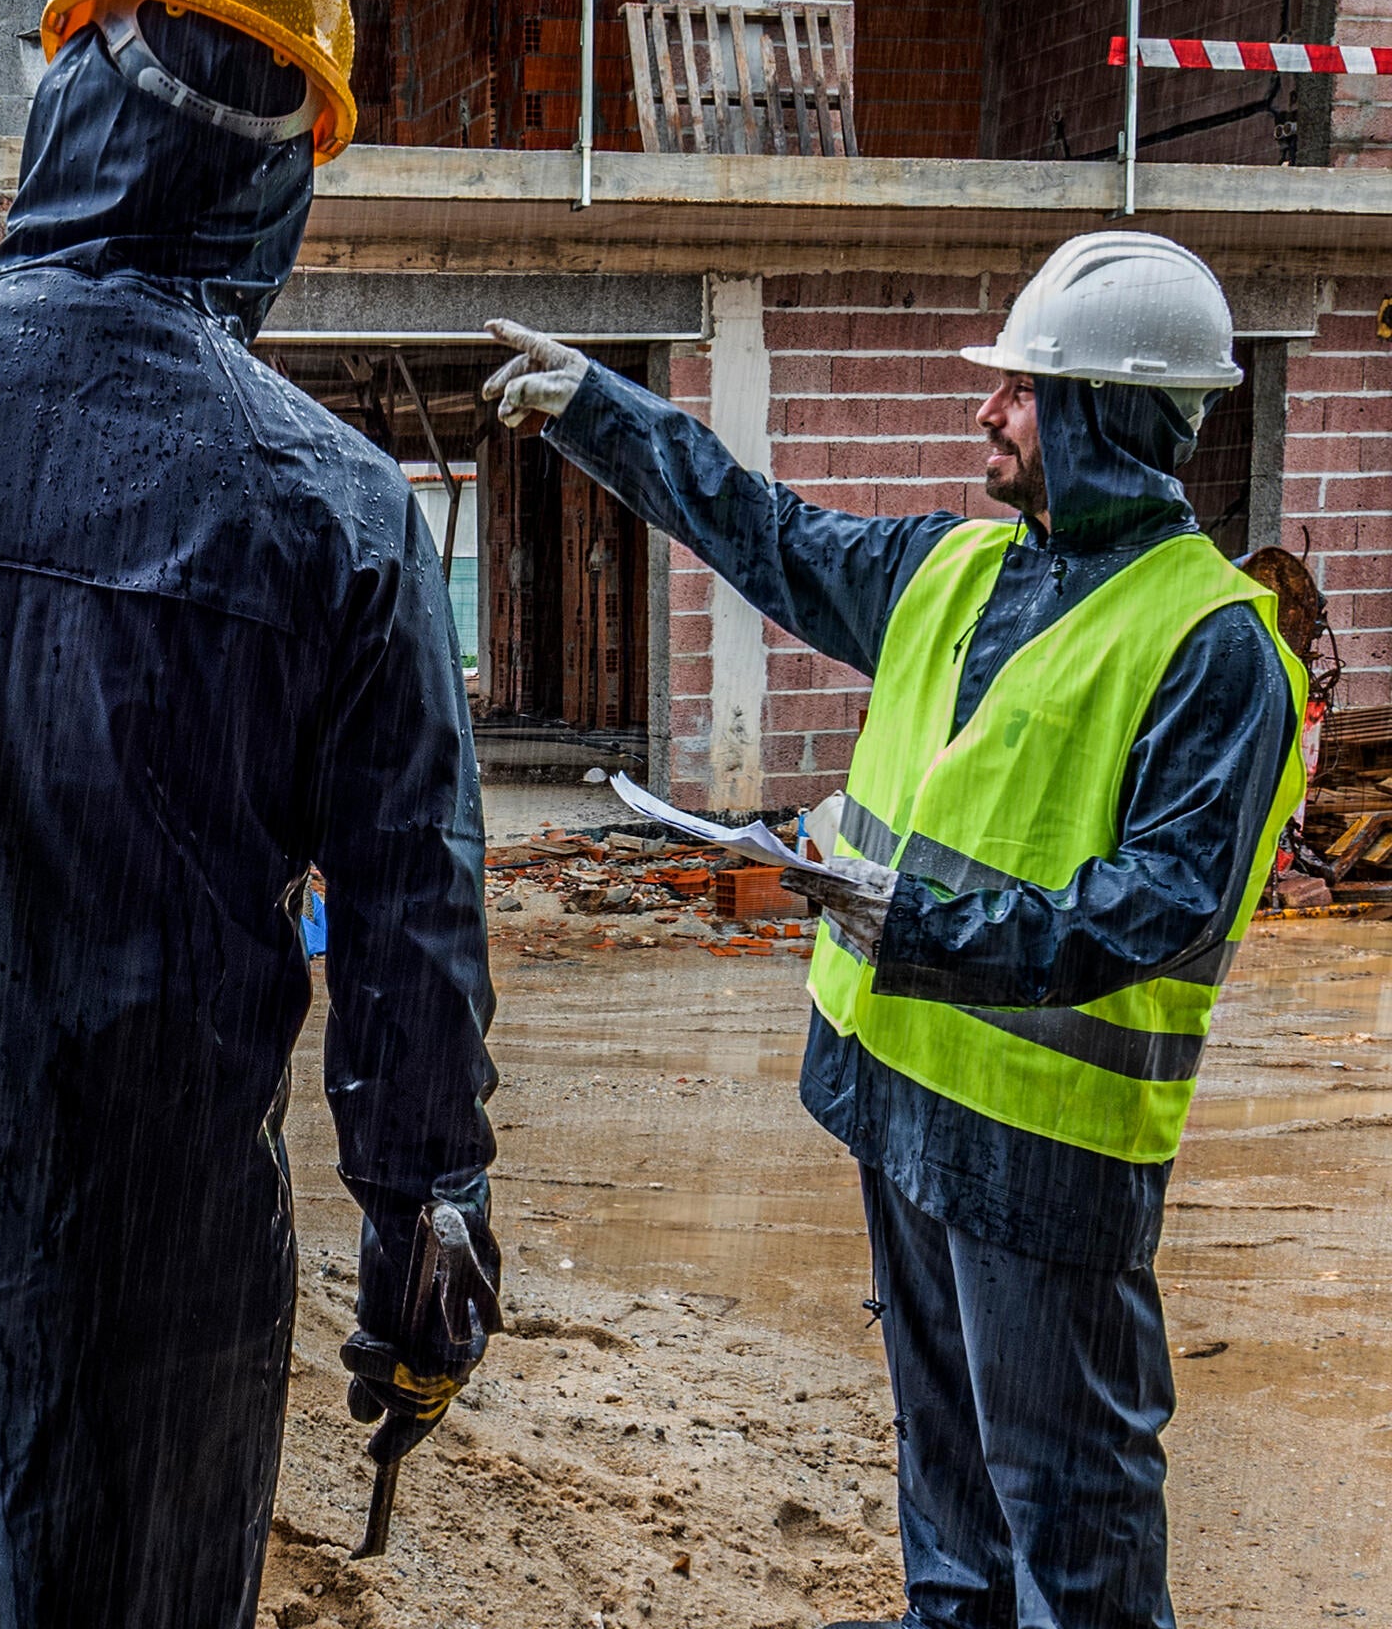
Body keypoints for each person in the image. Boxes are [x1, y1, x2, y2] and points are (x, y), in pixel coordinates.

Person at [483, 233, 1305, 1629]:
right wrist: (599, 412)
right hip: (903, 1099)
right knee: (951, 1479)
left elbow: (1162, 903)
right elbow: (767, 533)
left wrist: (917, 919)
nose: (989, 410)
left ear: (1104, 410)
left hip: (1049, 1153)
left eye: (1024, 388)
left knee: (1074, 1520)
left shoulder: (1216, 647)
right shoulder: (958, 571)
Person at [0, 0, 500, 1627]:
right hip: (168, 1248)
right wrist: (423, 1217)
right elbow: (412, 916)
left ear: (71, 106)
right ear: (284, 182)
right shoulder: (336, 514)